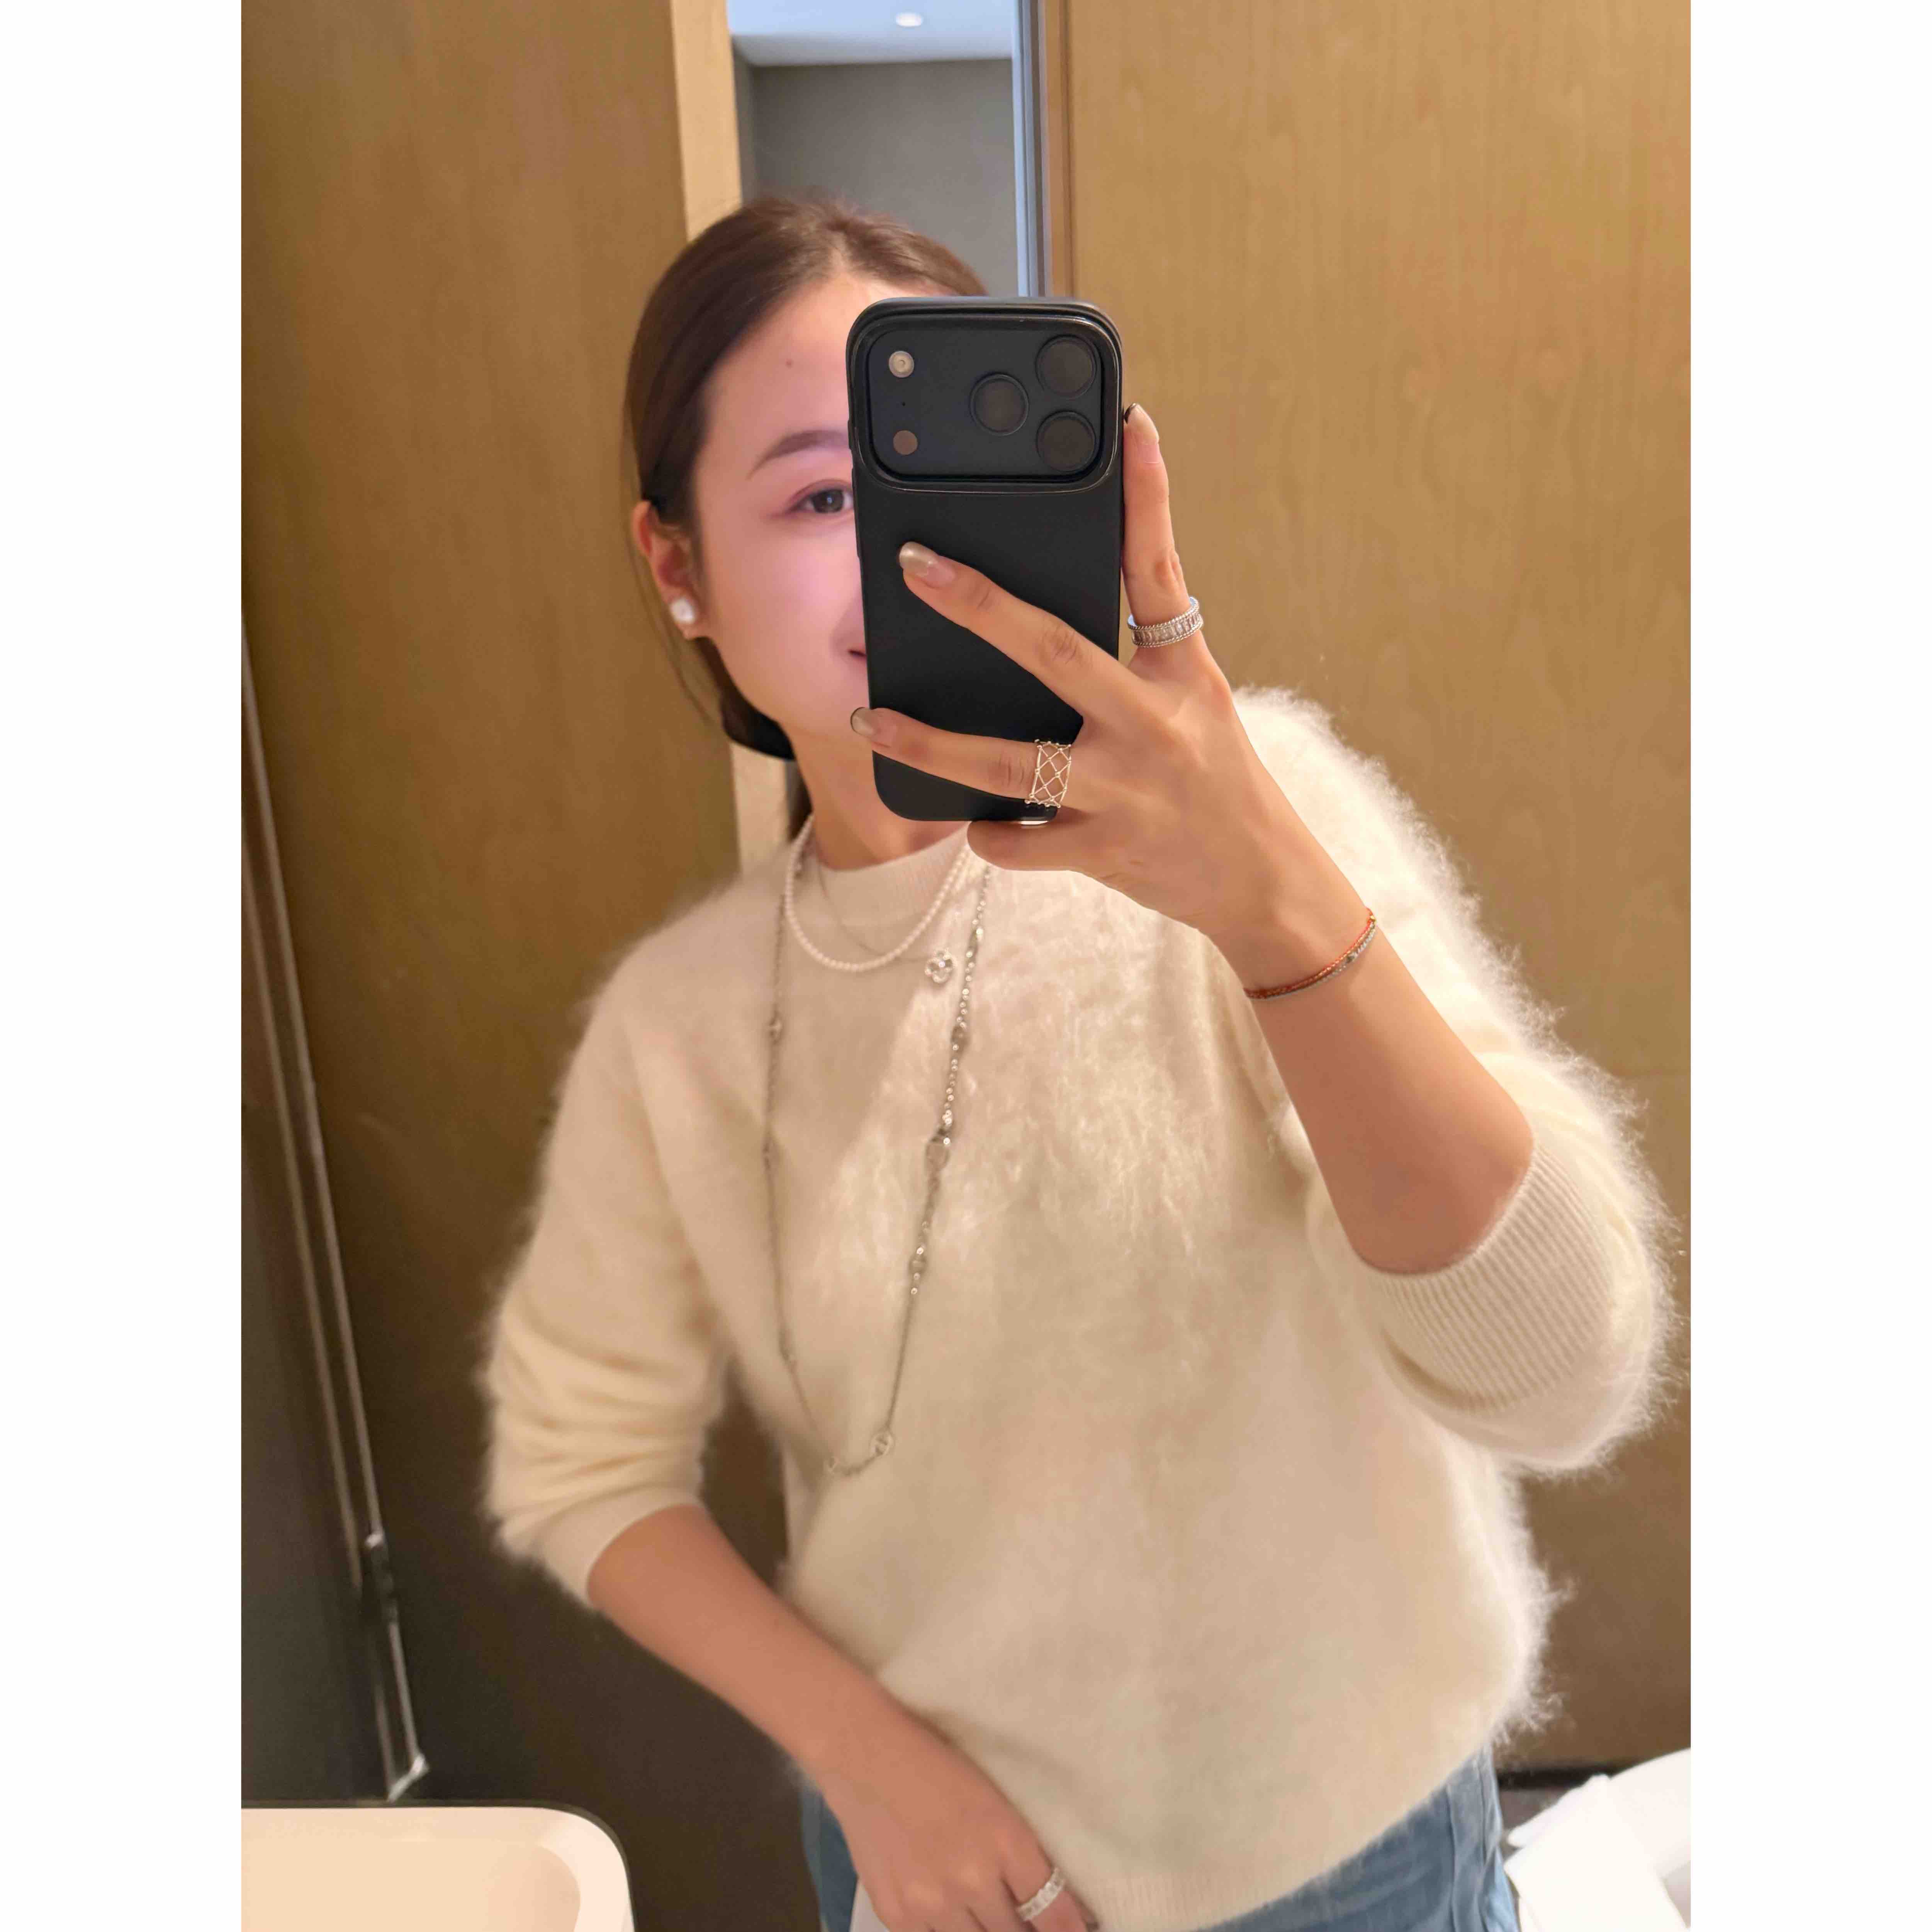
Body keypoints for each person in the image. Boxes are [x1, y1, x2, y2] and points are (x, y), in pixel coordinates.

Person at [474, 193, 1682, 1932]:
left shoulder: (1265, 817)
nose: (908, 563)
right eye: (822, 497)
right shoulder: (680, 1028)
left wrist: (1274, 913)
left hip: (1349, 1859)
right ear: (678, 567)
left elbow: (1559, 1371)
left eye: (936, 490)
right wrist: (871, 1768)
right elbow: (579, 1463)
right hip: (940, 1877)